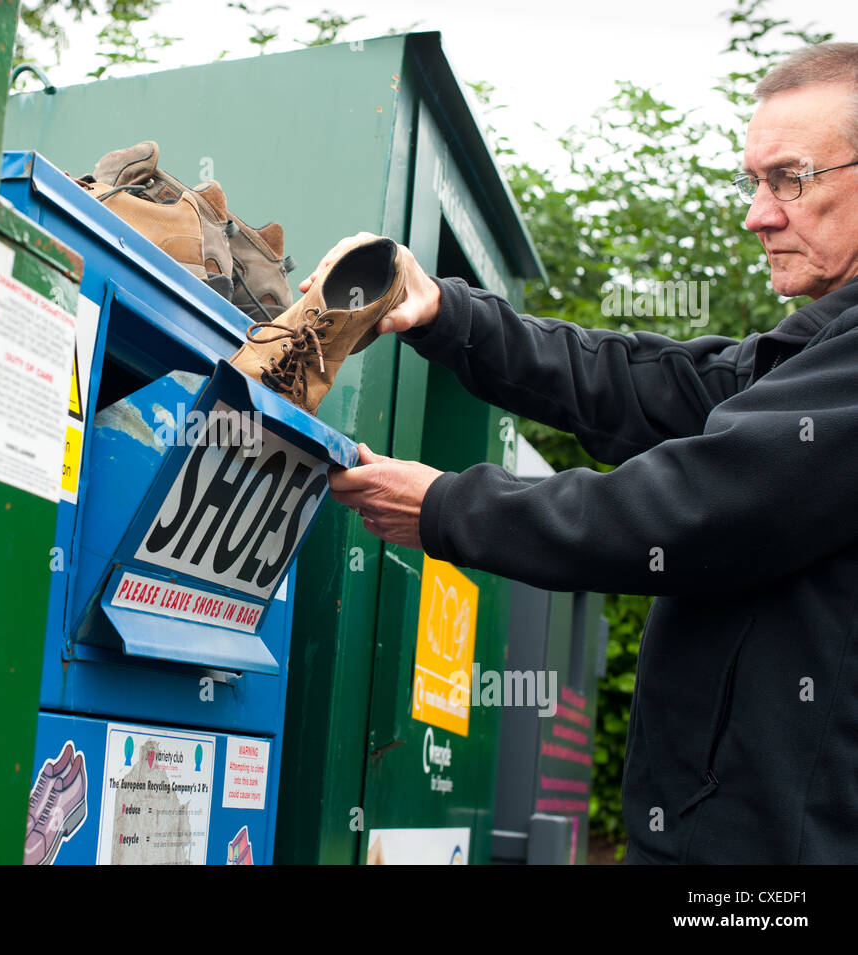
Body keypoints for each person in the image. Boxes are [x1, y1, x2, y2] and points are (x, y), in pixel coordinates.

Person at [320, 41, 858, 864]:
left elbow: (688, 510)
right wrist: (444, 314)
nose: (758, 212)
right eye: (753, 181)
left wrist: (443, 507)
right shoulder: (816, 354)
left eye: (790, 177)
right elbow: (653, 385)